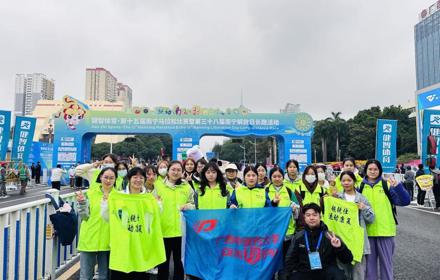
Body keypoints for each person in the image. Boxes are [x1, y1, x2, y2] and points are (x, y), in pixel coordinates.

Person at [360, 159, 410, 280]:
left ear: (380, 171)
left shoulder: (386, 185)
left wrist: (398, 187)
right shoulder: (360, 187)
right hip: (367, 233)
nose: (372, 171)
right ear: (366, 171)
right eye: (370, 169)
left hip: (386, 232)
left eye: (375, 169)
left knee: (386, 267)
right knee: (369, 268)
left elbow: (405, 201)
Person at [284, 203, 353, 280]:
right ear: (304, 218)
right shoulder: (298, 236)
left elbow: (348, 259)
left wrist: (340, 247)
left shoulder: (330, 236)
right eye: (308, 215)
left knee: (338, 276)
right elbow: (289, 260)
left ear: (320, 216)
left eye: (314, 215)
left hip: (326, 271)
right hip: (305, 271)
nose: (311, 218)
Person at [76, 167, 117, 280]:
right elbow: (84, 216)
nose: (108, 180)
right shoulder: (90, 193)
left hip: (108, 241)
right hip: (89, 239)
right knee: (85, 276)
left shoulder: (119, 196)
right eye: (106, 177)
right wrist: (82, 203)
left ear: (115, 180)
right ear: (100, 177)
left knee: (104, 276)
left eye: (111, 178)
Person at [156, 161, 194, 280]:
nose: (175, 172)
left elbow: (193, 203)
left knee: (179, 263)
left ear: (182, 172)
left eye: (178, 170)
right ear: (168, 171)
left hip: (180, 231)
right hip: (163, 231)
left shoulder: (186, 187)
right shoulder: (158, 186)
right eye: (173, 169)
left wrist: (189, 206)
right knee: (163, 263)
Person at [337, 171, 375, 280]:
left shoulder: (362, 198)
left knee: (358, 272)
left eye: (349, 180)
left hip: (358, 241)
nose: (346, 183)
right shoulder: (337, 198)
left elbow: (371, 219)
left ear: (354, 181)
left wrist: (364, 208)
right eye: (343, 180)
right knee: (342, 270)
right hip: (342, 239)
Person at [266, 167, 300, 280]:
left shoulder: (289, 191)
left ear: (283, 177)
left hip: (287, 232)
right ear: (270, 177)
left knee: (286, 261)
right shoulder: (264, 190)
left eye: (279, 176)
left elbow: (297, 211)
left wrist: (295, 209)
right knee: (270, 260)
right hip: (271, 233)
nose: (277, 179)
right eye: (274, 176)